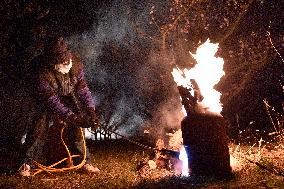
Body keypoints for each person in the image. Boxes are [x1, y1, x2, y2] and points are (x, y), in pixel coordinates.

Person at [18, 37, 100, 176]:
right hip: (42, 99)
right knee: (40, 124)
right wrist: (72, 117)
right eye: (61, 60)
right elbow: (52, 102)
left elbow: (83, 90)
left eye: (66, 58)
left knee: (77, 121)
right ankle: (27, 163)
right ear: (51, 61)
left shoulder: (75, 64)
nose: (65, 62)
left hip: (66, 96)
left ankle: (85, 162)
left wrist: (91, 111)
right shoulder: (40, 72)